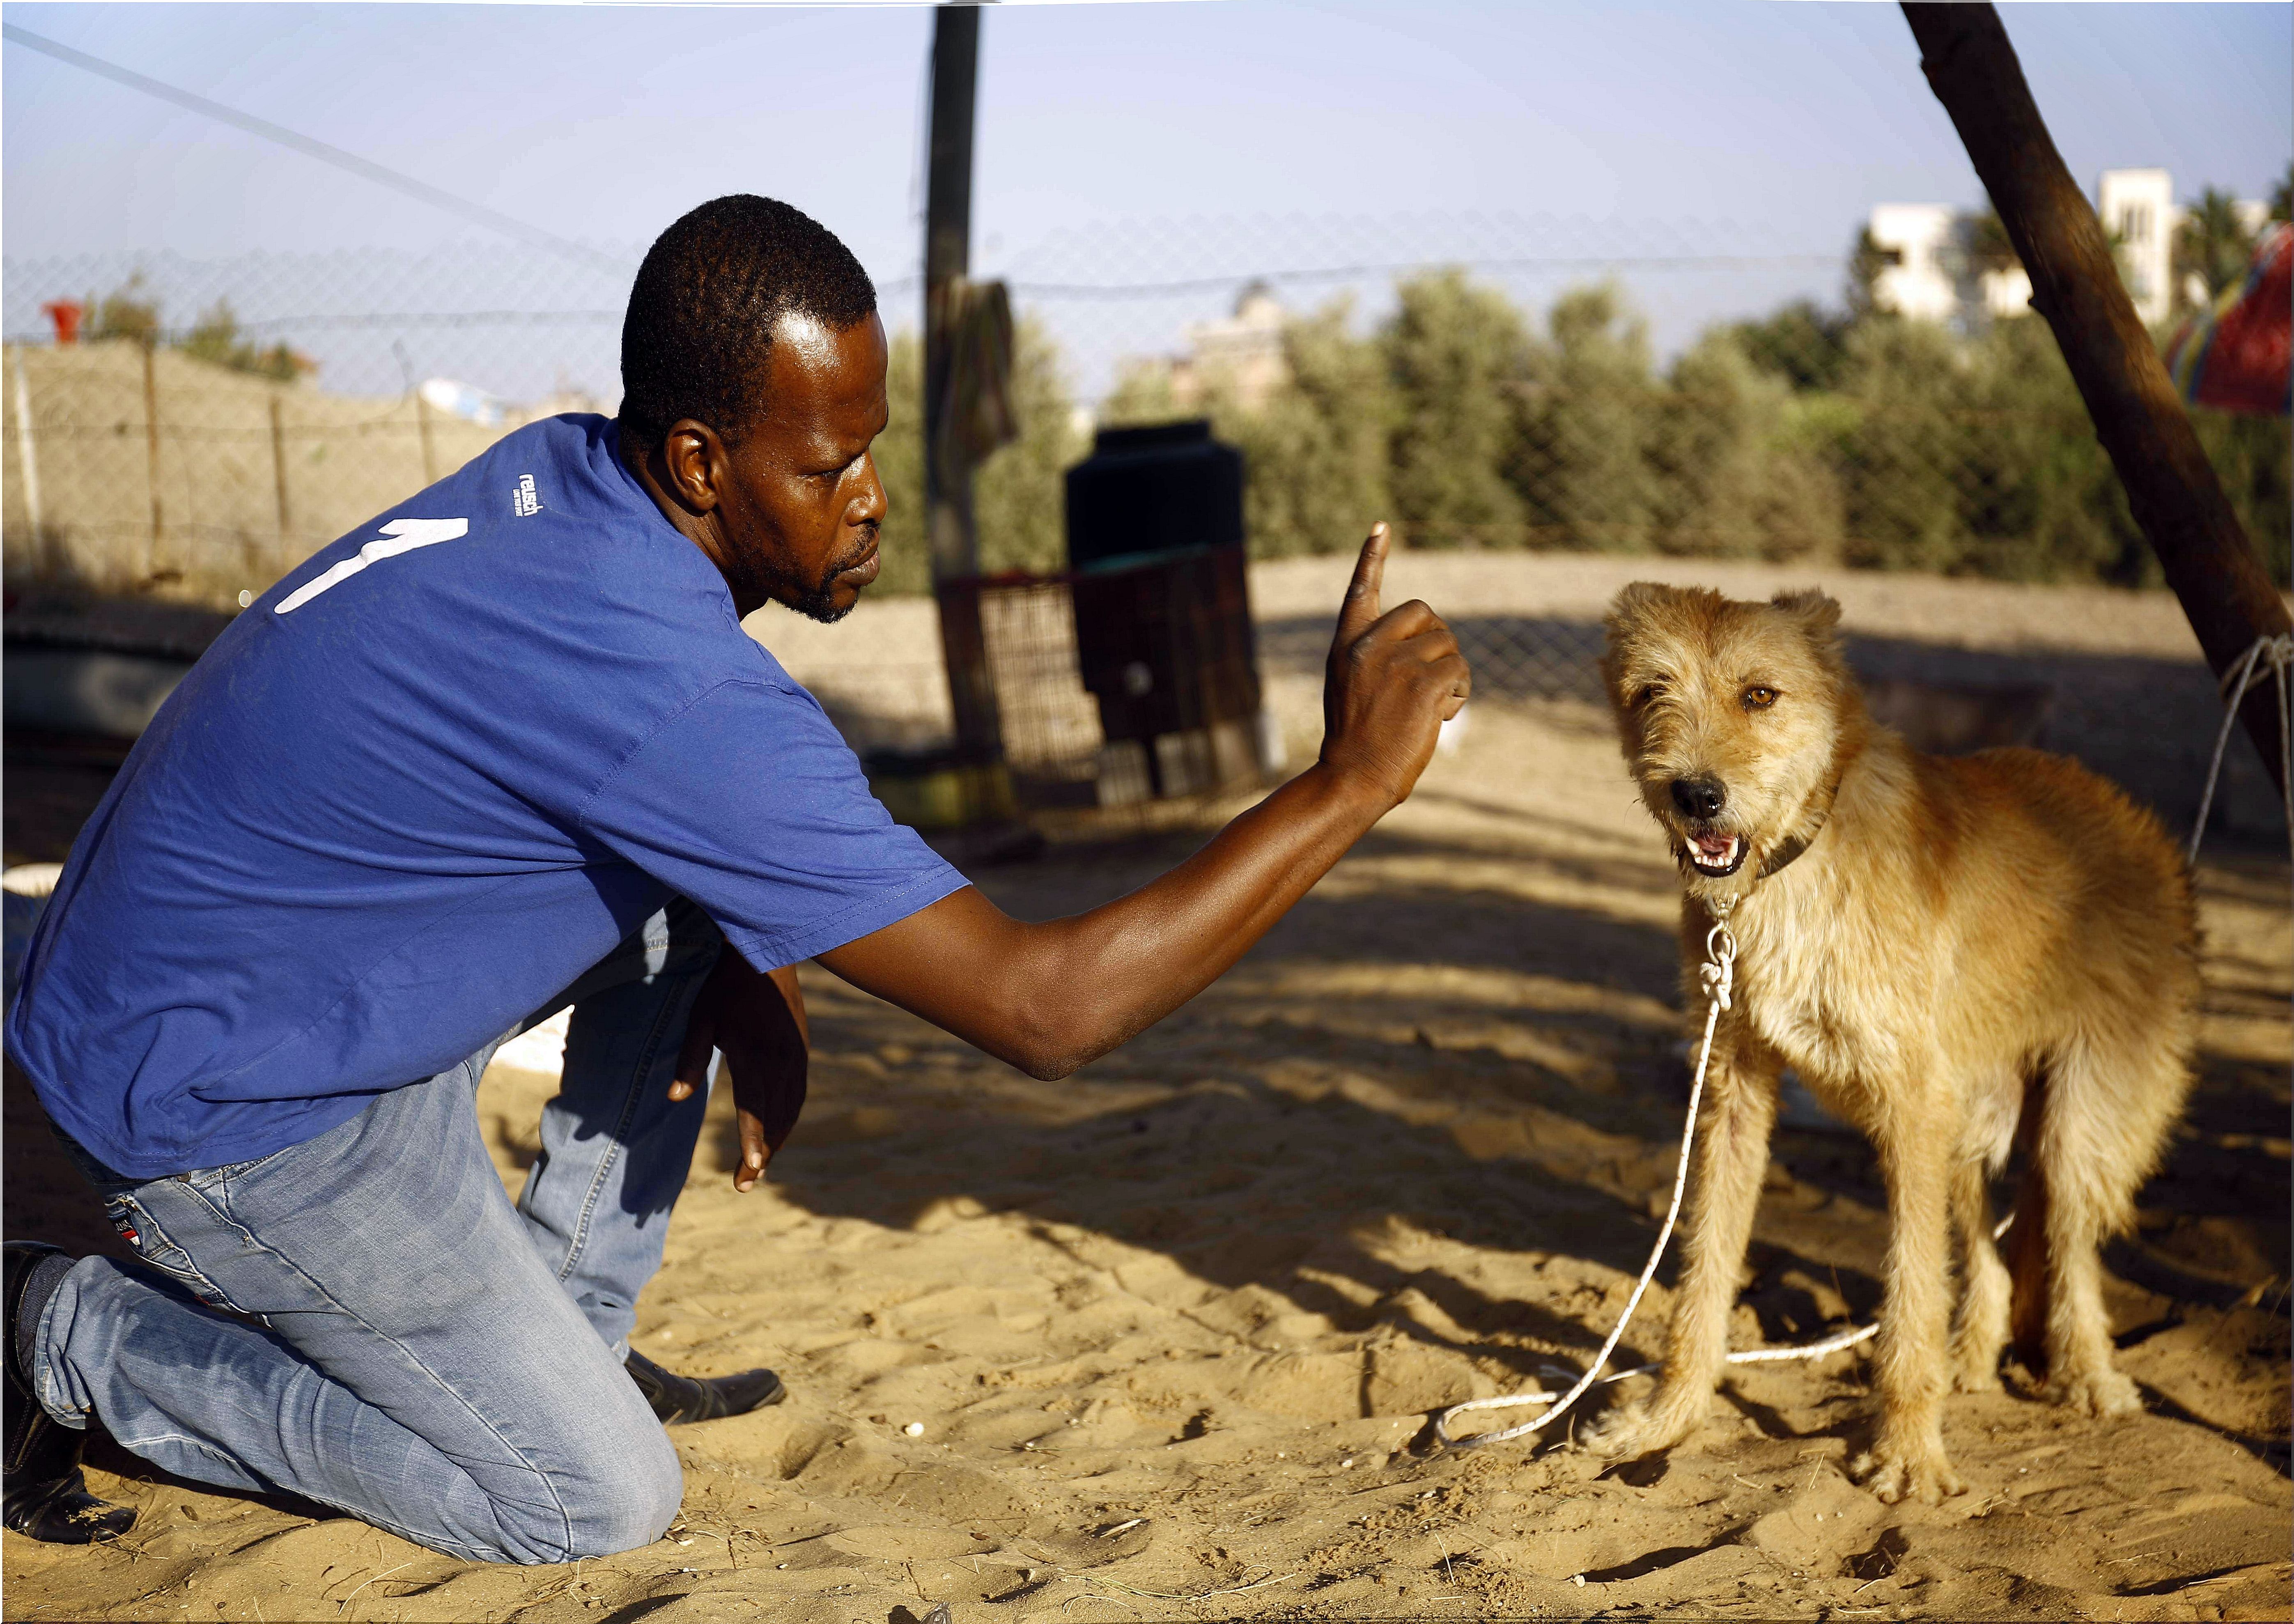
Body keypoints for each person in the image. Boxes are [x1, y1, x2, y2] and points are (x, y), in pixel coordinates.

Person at [2, 195, 1468, 1562]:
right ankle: (55, 1329)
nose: (870, 499)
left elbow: (612, 781)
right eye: (827, 468)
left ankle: (562, 1328)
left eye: (870, 449)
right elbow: (1050, 1009)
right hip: (220, 1111)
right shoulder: (674, 690)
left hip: (210, 984)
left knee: (714, 902)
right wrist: (1347, 785)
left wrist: (742, 943)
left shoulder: (575, 478)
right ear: (700, 461)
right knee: (586, 1493)